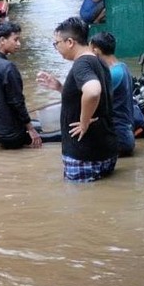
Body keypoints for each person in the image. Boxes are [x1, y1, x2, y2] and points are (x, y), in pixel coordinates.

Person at [37, 17, 118, 182]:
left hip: (84, 155)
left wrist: (84, 122)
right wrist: (61, 88)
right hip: (106, 150)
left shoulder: (81, 64)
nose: (56, 48)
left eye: (56, 43)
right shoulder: (99, 62)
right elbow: (95, 96)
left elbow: (93, 91)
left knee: (79, 204)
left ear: (70, 42)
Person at [0, 21, 43, 149]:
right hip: (12, 135)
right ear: (2, 40)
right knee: (40, 129)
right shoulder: (8, 67)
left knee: (33, 122)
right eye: (16, 39)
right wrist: (31, 129)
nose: (19, 44)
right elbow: (17, 102)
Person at [89, 32, 137, 156]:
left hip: (119, 139)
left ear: (96, 50)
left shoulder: (112, 74)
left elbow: (91, 99)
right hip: (125, 135)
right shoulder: (122, 67)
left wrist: (60, 88)